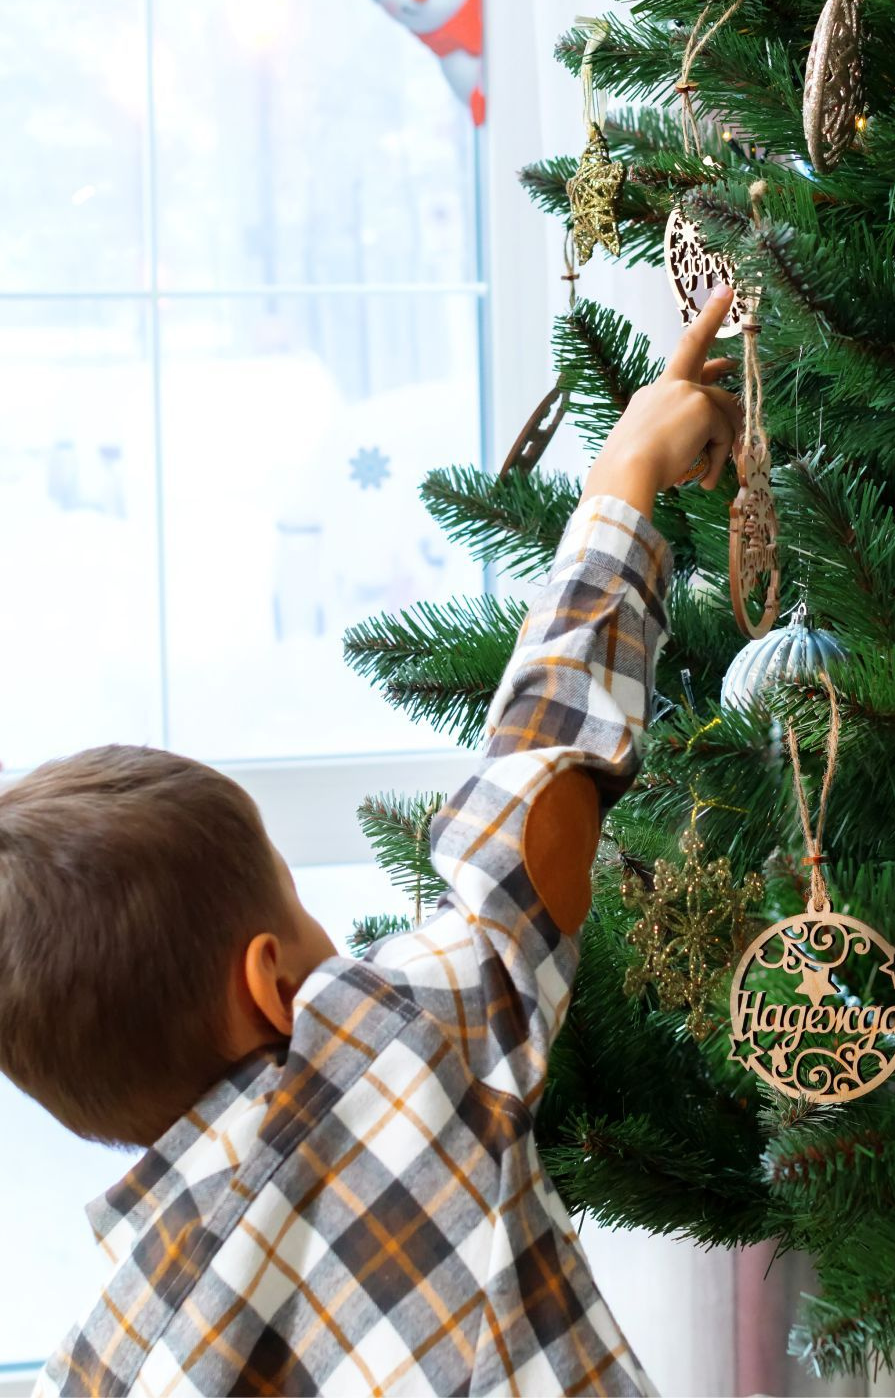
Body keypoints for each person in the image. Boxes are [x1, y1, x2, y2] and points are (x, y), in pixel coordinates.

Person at [5, 286, 742, 1397]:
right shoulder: (383, 1056)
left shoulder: (106, 1361)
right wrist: (624, 480)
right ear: (271, 983)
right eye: (305, 911)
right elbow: (531, 793)